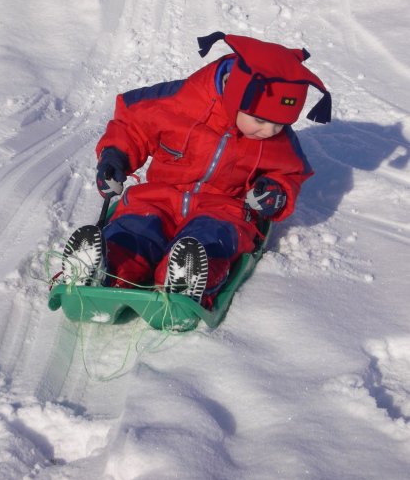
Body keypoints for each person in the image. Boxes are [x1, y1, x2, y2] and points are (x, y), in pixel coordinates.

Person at [95, 32, 332, 309]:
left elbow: (290, 172)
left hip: (222, 209)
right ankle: (108, 267)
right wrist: (114, 156)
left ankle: (186, 278)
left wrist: (275, 192)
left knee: (210, 241)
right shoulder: (179, 101)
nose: (269, 131)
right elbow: (133, 125)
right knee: (136, 229)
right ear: (235, 96)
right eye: (260, 120)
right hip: (159, 197)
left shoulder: (275, 140)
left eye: (280, 125)